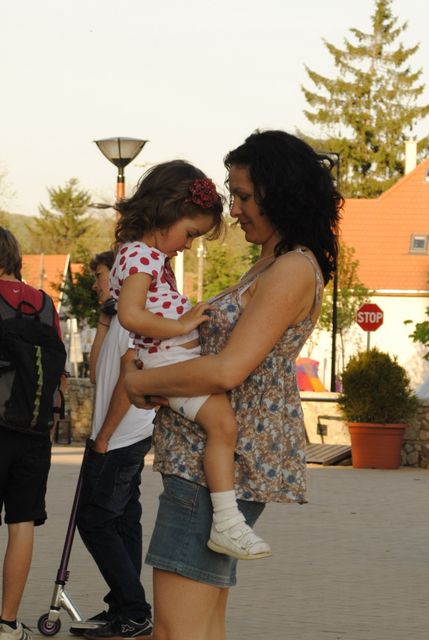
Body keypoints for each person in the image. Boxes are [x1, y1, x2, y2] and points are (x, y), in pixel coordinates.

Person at [124, 130, 342, 640]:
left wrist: (142, 382)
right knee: (202, 626)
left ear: (278, 194)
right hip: (212, 466)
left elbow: (227, 370)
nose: (235, 209)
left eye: (243, 196)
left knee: (175, 630)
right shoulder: (273, 263)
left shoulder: (291, 268)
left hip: (212, 473)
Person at [110, 159, 271, 561]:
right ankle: (227, 521)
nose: (188, 246)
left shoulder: (147, 258)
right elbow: (130, 315)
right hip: (166, 362)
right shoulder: (141, 257)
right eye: (190, 234)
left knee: (223, 425)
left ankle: (227, 519)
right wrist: (182, 325)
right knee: (223, 425)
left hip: (166, 361)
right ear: (166, 211)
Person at [76, 252, 155, 640]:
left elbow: (129, 381)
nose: (96, 283)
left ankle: (135, 610)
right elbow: (96, 373)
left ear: (119, 275)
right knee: (123, 520)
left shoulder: (133, 317)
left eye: (100, 275)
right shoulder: (118, 319)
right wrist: (104, 320)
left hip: (122, 436)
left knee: (94, 520)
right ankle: (122, 608)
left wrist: (104, 437)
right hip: (119, 435)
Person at [0, 227, 63, 640]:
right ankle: (7, 623)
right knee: (21, 522)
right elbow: (58, 372)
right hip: (36, 430)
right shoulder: (44, 303)